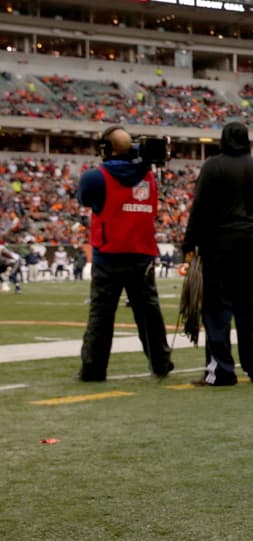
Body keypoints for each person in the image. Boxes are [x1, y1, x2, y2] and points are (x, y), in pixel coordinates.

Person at [75, 125, 173, 381]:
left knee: (101, 316)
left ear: (105, 150)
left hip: (108, 255)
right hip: (141, 253)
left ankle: (93, 369)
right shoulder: (148, 175)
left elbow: (85, 200)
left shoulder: (95, 177)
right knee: (149, 313)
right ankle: (161, 363)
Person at [182, 121, 253, 386]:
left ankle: (221, 370)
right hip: (250, 244)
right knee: (249, 307)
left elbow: (198, 209)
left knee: (217, 308)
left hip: (217, 244)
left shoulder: (212, 167)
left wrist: (189, 246)